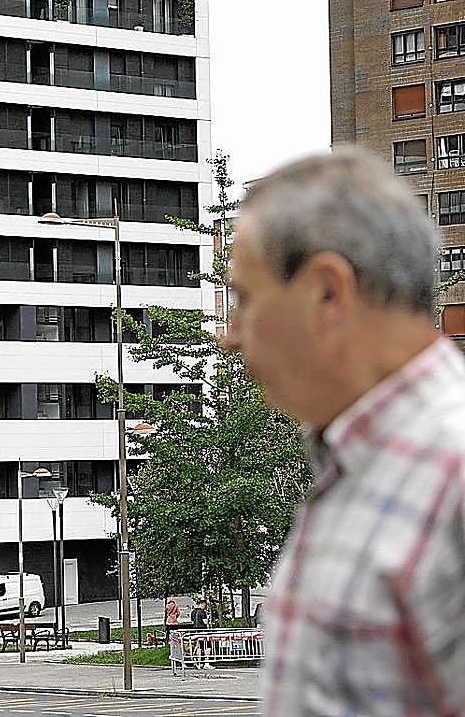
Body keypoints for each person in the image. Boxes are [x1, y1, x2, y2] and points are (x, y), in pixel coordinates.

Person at [223, 148, 465, 714]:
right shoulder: (356, 463)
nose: (229, 336)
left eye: (244, 299)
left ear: (328, 292)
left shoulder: (453, 473)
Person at [190, 599, 211, 669]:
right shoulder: (202, 612)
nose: (205, 607)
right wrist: (208, 619)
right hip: (203, 632)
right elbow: (206, 622)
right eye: (205, 606)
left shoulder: (193, 612)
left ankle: (198, 662)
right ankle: (206, 663)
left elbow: (192, 621)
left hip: (195, 631)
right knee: (207, 647)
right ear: (202, 604)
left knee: (198, 647)